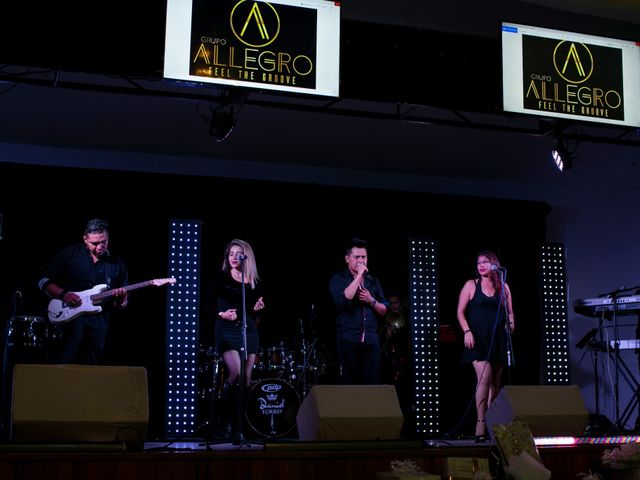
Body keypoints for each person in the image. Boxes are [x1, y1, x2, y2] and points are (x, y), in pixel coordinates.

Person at [38, 218, 129, 364]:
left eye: (104, 242)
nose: (99, 247)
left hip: (99, 324)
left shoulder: (117, 263)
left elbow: (122, 304)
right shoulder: (70, 254)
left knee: (91, 368)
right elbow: (43, 281)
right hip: (68, 319)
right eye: (94, 243)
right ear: (85, 239)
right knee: (63, 362)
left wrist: (121, 301)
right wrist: (63, 294)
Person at [457, 250, 514, 441]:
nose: (481, 265)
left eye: (485, 262)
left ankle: (492, 422)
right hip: (477, 339)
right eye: (478, 262)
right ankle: (480, 423)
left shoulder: (503, 287)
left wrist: (511, 322)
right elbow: (460, 312)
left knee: (495, 382)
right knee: (484, 378)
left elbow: (510, 312)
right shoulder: (471, 285)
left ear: (495, 265)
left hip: (498, 337)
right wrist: (467, 331)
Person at [212, 239, 264, 438]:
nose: (233, 257)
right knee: (235, 373)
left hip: (248, 330)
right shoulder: (220, 278)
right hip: (225, 329)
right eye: (230, 253)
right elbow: (208, 306)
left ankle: (239, 427)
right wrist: (221, 314)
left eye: (237, 254)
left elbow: (253, 312)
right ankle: (221, 421)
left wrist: (257, 310)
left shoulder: (252, 282)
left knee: (247, 379)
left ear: (246, 257)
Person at [329, 238, 388, 385]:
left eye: (364, 257)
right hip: (348, 340)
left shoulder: (373, 281)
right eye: (357, 257)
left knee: (371, 383)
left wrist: (371, 300)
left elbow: (384, 309)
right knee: (350, 384)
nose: (361, 261)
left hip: (371, 341)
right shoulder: (338, 279)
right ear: (347, 258)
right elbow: (345, 297)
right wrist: (359, 275)